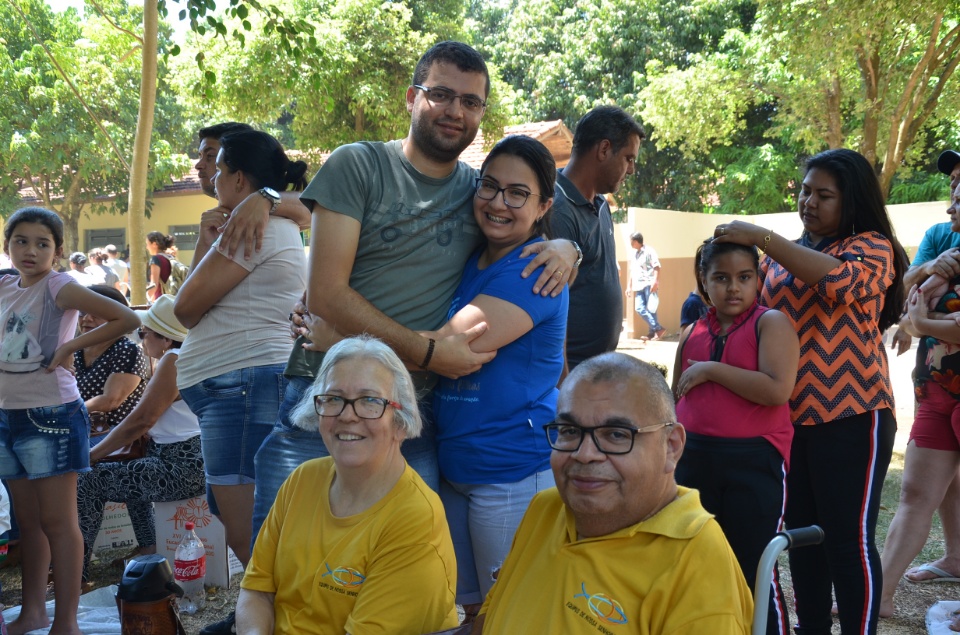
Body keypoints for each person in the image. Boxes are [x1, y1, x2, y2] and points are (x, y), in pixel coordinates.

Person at [250, 40, 579, 581]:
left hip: (415, 416)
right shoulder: (361, 164)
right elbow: (326, 295)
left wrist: (571, 249)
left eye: (471, 102)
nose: (455, 111)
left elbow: (527, 210)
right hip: (327, 397)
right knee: (288, 570)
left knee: (405, 579)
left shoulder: (479, 191)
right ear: (411, 97)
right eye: (442, 94)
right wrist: (426, 350)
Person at [714, 148, 909, 635]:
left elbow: (838, 283)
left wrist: (762, 237)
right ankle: (812, 628)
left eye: (824, 195)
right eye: (805, 191)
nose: (809, 202)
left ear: (852, 200)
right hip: (788, 420)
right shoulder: (784, 256)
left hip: (853, 414)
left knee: (848, 539)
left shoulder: (871, 248)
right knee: (801, 537)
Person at [471, 352, 753, 634]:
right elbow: (491, 618)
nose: (584, 454)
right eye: (569, 430)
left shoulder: (696, 565)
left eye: (616, 434)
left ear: (671, 446)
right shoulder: (546, 508)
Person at [173, 129, 308, 635]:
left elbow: (184, 308)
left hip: (245, 384)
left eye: (216, 163)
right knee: (238, 515)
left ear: (239, 178)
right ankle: (263, 614)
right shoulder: (247, 224)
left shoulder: (259, 226)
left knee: (249, 526)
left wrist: (263, 203)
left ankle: (275, 618)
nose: (206, 172)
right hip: (237, 386)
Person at [428, 135, 567, 617]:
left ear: (544, 204)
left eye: (517, 193)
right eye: (489, 186)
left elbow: (447, 343)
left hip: (509, 472)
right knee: (469, 610)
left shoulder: (534, 269)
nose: (498, 202)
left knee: (510, 613)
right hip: (459, 467)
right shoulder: (475, 258)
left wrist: (338, 328)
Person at [237, 336, 458, 635]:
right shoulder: (303, 479)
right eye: (334, 398)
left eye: (370, 400)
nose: (347, 415)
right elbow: (257, 589)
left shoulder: (415, 519)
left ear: (400, 422)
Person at [0, 207, 139, 635]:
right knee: (29, 523)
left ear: (57, 252)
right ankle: (33, 612)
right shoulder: (5, 285)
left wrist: (69, 347)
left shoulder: (59, 286)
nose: (30, 250)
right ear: (8, 245)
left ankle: (66, 623)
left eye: (42, 243)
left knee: (59, 522)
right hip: (7, 415)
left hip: (52, 416)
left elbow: (128, 318)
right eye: (21, 240)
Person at [672, 238, 798, 635]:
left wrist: (712, 370)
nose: (733, 288)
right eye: (721, 278)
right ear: (703, 281)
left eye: (745, 277)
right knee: (696, 563)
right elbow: (676, 394)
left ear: (758, 279)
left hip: (754, 462)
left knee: (754, 567)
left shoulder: (770, 322)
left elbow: (777, 390)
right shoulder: (691, 331)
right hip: (692, 461)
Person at [77, 295, 204, 582]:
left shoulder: (173, 360)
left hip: (181, 466)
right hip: (182, 459)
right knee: (131, 470)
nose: (141, 338)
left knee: (88, 479)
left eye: (144, 333)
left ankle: (75, 569)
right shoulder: (177, 358)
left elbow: (141, 420)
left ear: (166, 339)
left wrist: (93, 455)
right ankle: (148, 547)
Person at [879, 183, 960, 616]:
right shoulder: (945, 263)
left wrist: (926, 321)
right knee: (914, 494)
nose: (951, 206)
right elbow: (909, 317)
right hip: (934, 394)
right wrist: (926, 320)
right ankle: (882, 596)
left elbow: (924, 321)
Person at [549, 106, 643, 371]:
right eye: (628, 158)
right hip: (571, 373)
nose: (632, 169)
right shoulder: (558, 209)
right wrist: (564, 386)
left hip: (595, 368)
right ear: (603, 150)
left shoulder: (601, 204)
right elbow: (552, 307)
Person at [73, 284, 149, 564]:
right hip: (77, 431)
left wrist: (65, 409)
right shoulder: (75, 352)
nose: (86, 319)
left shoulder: (128, 351)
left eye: (96, 314)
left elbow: (111, 400)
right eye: (82, 312)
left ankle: (74, 557)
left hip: (118, 438)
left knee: (75, 470)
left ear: (117, 317)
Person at [192, 122, 310, 260]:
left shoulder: (266, 222)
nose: (198, 165)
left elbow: (310, 209)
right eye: (200, 155)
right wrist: (204, 243)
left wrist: (265, 199)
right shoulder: (219, 222)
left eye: (210, 156)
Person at [626, 231, 666, 340]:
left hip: (649, 283)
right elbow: (632, 271)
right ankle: (657, 329)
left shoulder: (649, 251)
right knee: (639, 308)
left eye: (631, 241)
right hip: (638, 285)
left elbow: (657, 267)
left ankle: (653, 333)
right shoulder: (634, 254)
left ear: (636, 241)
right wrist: (628, 286)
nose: (630, 243)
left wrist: (655, 282)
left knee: (651, 309)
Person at [145, 232, 175, 302]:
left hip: (162, 301)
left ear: (154, 244)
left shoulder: (156, 259)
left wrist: (145, 299)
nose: (147, 247)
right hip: (173, 299)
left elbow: (154, 285)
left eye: (147, 244)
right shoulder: (170, 257)